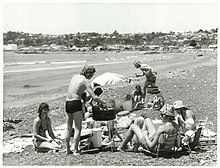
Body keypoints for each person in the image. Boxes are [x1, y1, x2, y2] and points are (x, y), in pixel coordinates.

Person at [65, 65, 106, 155]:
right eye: (92, 75)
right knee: (77, 128)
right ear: (89, 74)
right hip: (76, 103)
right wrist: (103, 102)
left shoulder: (74, 76)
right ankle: (76, 149)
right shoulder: (85, 81)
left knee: (68, 127)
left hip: (67, 102)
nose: (91, 77)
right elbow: (94, 97)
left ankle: (67, 149)